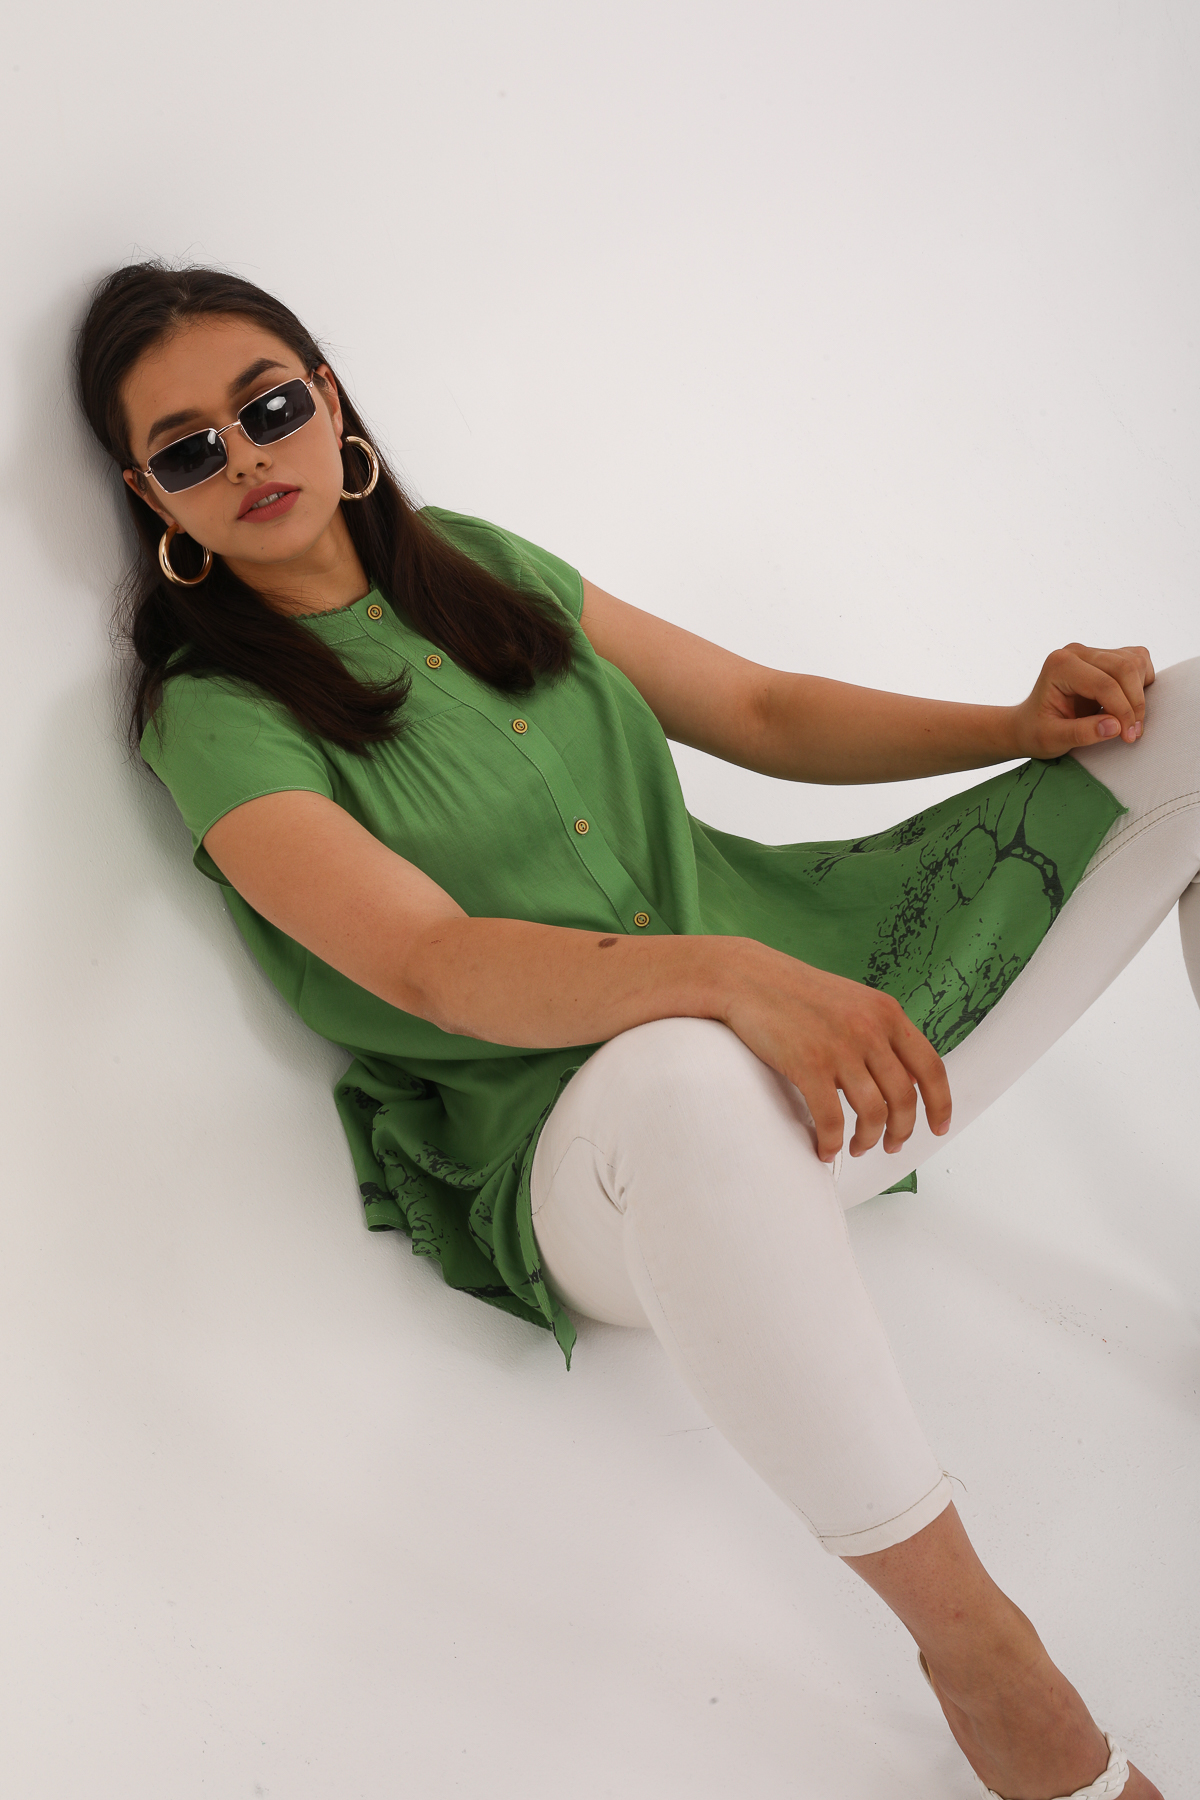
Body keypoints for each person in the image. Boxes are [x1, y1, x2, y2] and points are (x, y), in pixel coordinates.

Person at [76, 260, 1192, 1800]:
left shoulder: (475, 563)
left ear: (329, 403)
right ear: (153, 498)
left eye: (268, 407)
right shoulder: (212, 713)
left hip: (844, 1036)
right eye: (191, 448)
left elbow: (766, 711)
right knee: (678, 1070)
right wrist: (717, 979)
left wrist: (1012, 725)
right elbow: (432, 963)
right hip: (605, 1164)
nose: (248, 457)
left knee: (1191, 718)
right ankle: (984, 1656)